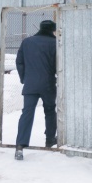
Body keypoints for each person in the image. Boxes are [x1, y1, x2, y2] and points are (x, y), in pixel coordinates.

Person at [14, 19, 57, 160]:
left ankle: (20, 146)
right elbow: (59, 63)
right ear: (52, 30)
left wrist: (24, 79)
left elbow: (19, 61)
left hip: (30, 84)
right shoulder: (55, 43)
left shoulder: (27, 42)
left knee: (27, 113)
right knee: (50, 111)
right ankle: (50, 140)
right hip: (48, 84)